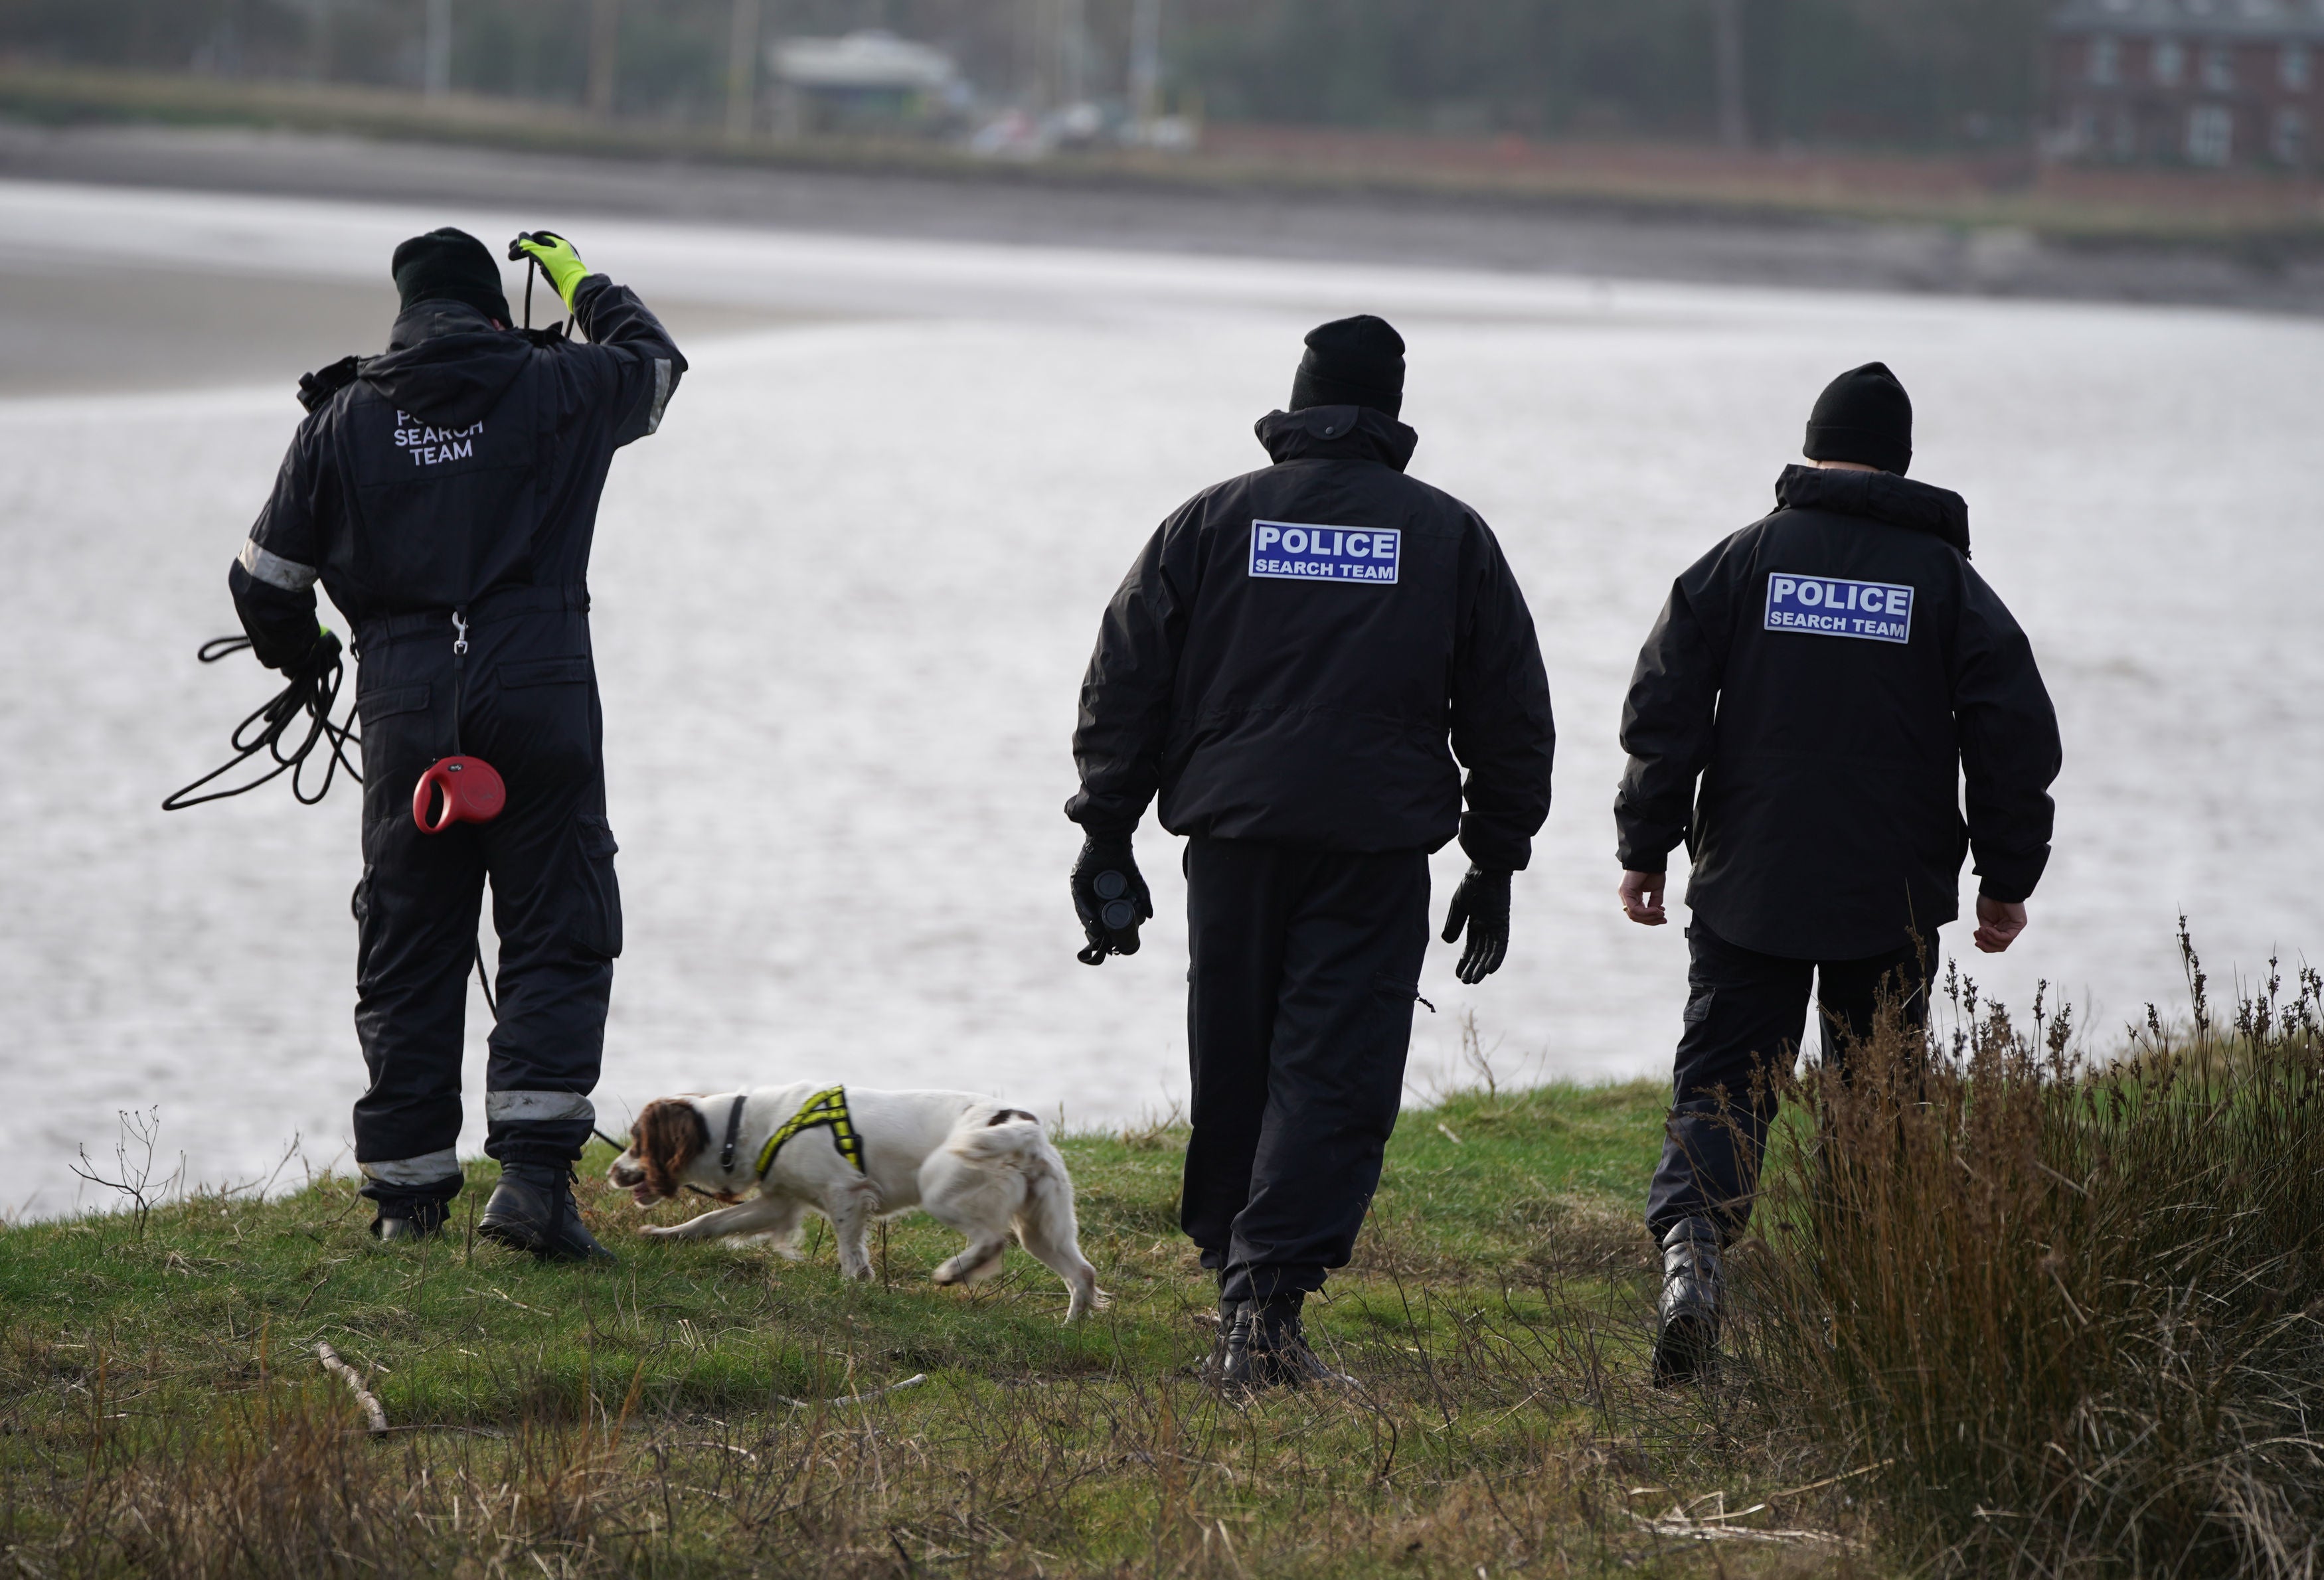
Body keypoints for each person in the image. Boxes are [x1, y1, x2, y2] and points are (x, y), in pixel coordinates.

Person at [1067, 315, 1556, 1389]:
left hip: (1236, 837)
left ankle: (1233, 1270)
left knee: (1236, 1051)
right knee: (1331, 1069)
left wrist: (1108, 829)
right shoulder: (1447, 536)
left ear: (1296, 405)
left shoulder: (1213, 520)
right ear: (1391, 415)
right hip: (1373, 846)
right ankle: (1262, 1311)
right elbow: (1510, 710)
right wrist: (1497, 854)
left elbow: (1126, 678)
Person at [227, 226, 684, 1258]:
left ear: (403, 313)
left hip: (405, 702)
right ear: (495, 307)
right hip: (539, 683)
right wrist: (586, 284)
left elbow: (263, 585)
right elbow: (656, 371)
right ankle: (529, 1189)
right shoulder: (555, 380)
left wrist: (308, 662)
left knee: (409, 936)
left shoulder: (342, 419)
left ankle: (407, 1201)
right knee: (557, 921)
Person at [1614, 362, 2060, 1383]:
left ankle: (1692, 1258)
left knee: (1722, 1084)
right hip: (1888, 895)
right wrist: (2006, 873)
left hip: (1749, 883)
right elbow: (2013, 734)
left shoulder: (1743, 561)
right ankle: (1863, 1313)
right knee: (1878, 1100)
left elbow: (1665, 708)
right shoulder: (1946, 583)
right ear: (1903, 463)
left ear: (1812, 448)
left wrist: (1645, 844)